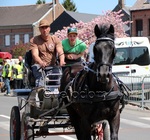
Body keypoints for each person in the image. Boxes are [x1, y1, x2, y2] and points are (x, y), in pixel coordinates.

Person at [29, 19, 66, 87]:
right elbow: (35, 55)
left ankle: (58, 94)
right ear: (39, 29)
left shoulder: (55, 39)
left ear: (49, 28)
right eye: (42, 28)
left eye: (46, 27)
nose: (44, 30)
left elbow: (60, 51)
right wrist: (41, 62)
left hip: (52, 66)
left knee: (58, 79)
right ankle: (40, 93)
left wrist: (62, 61)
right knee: (40, 80)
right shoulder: (34, 40)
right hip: (38, 66)